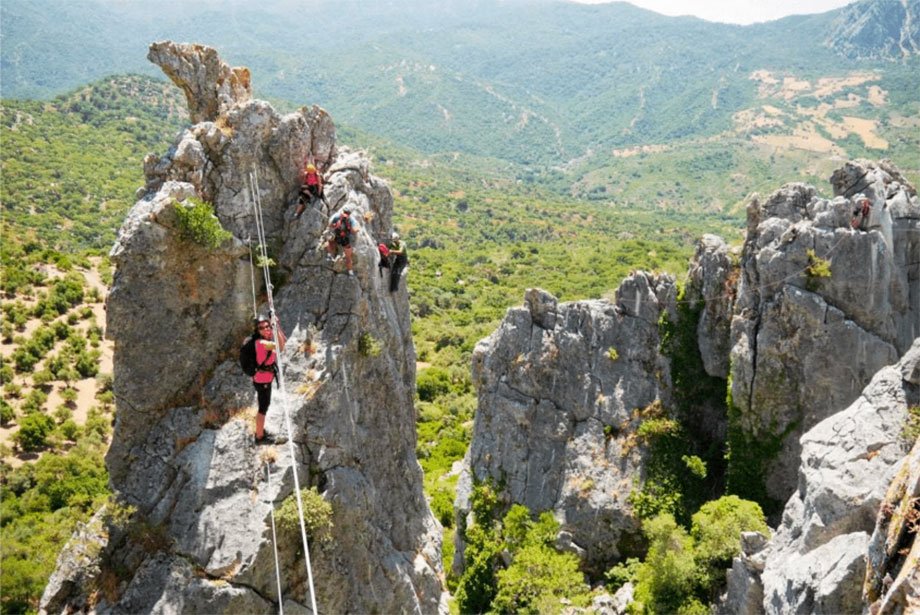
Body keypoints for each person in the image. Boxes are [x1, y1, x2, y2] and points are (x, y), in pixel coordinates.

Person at [252, 314, 287, 444]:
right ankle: (259, 436)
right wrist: (275, 326)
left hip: (261, 380)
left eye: (267, 326)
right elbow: (281, 347)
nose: (266, 329)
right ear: (258, 330)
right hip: (263, 382)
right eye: (262, 328)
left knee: (263, 405)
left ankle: (259, 432)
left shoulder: (262, 341)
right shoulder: (262, 343)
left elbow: (281, 341)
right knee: (263, 408)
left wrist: (275, 327)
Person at [326, 206, 357, 276]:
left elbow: (330, 225)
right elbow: (354, 231)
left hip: (337, 236)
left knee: (330, 242)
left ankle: (329, 255)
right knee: (348, 257)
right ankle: (350, 272)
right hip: (345, 239)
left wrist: (334, 225)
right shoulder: (351, 220)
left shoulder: (337, 216)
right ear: (349, 214)